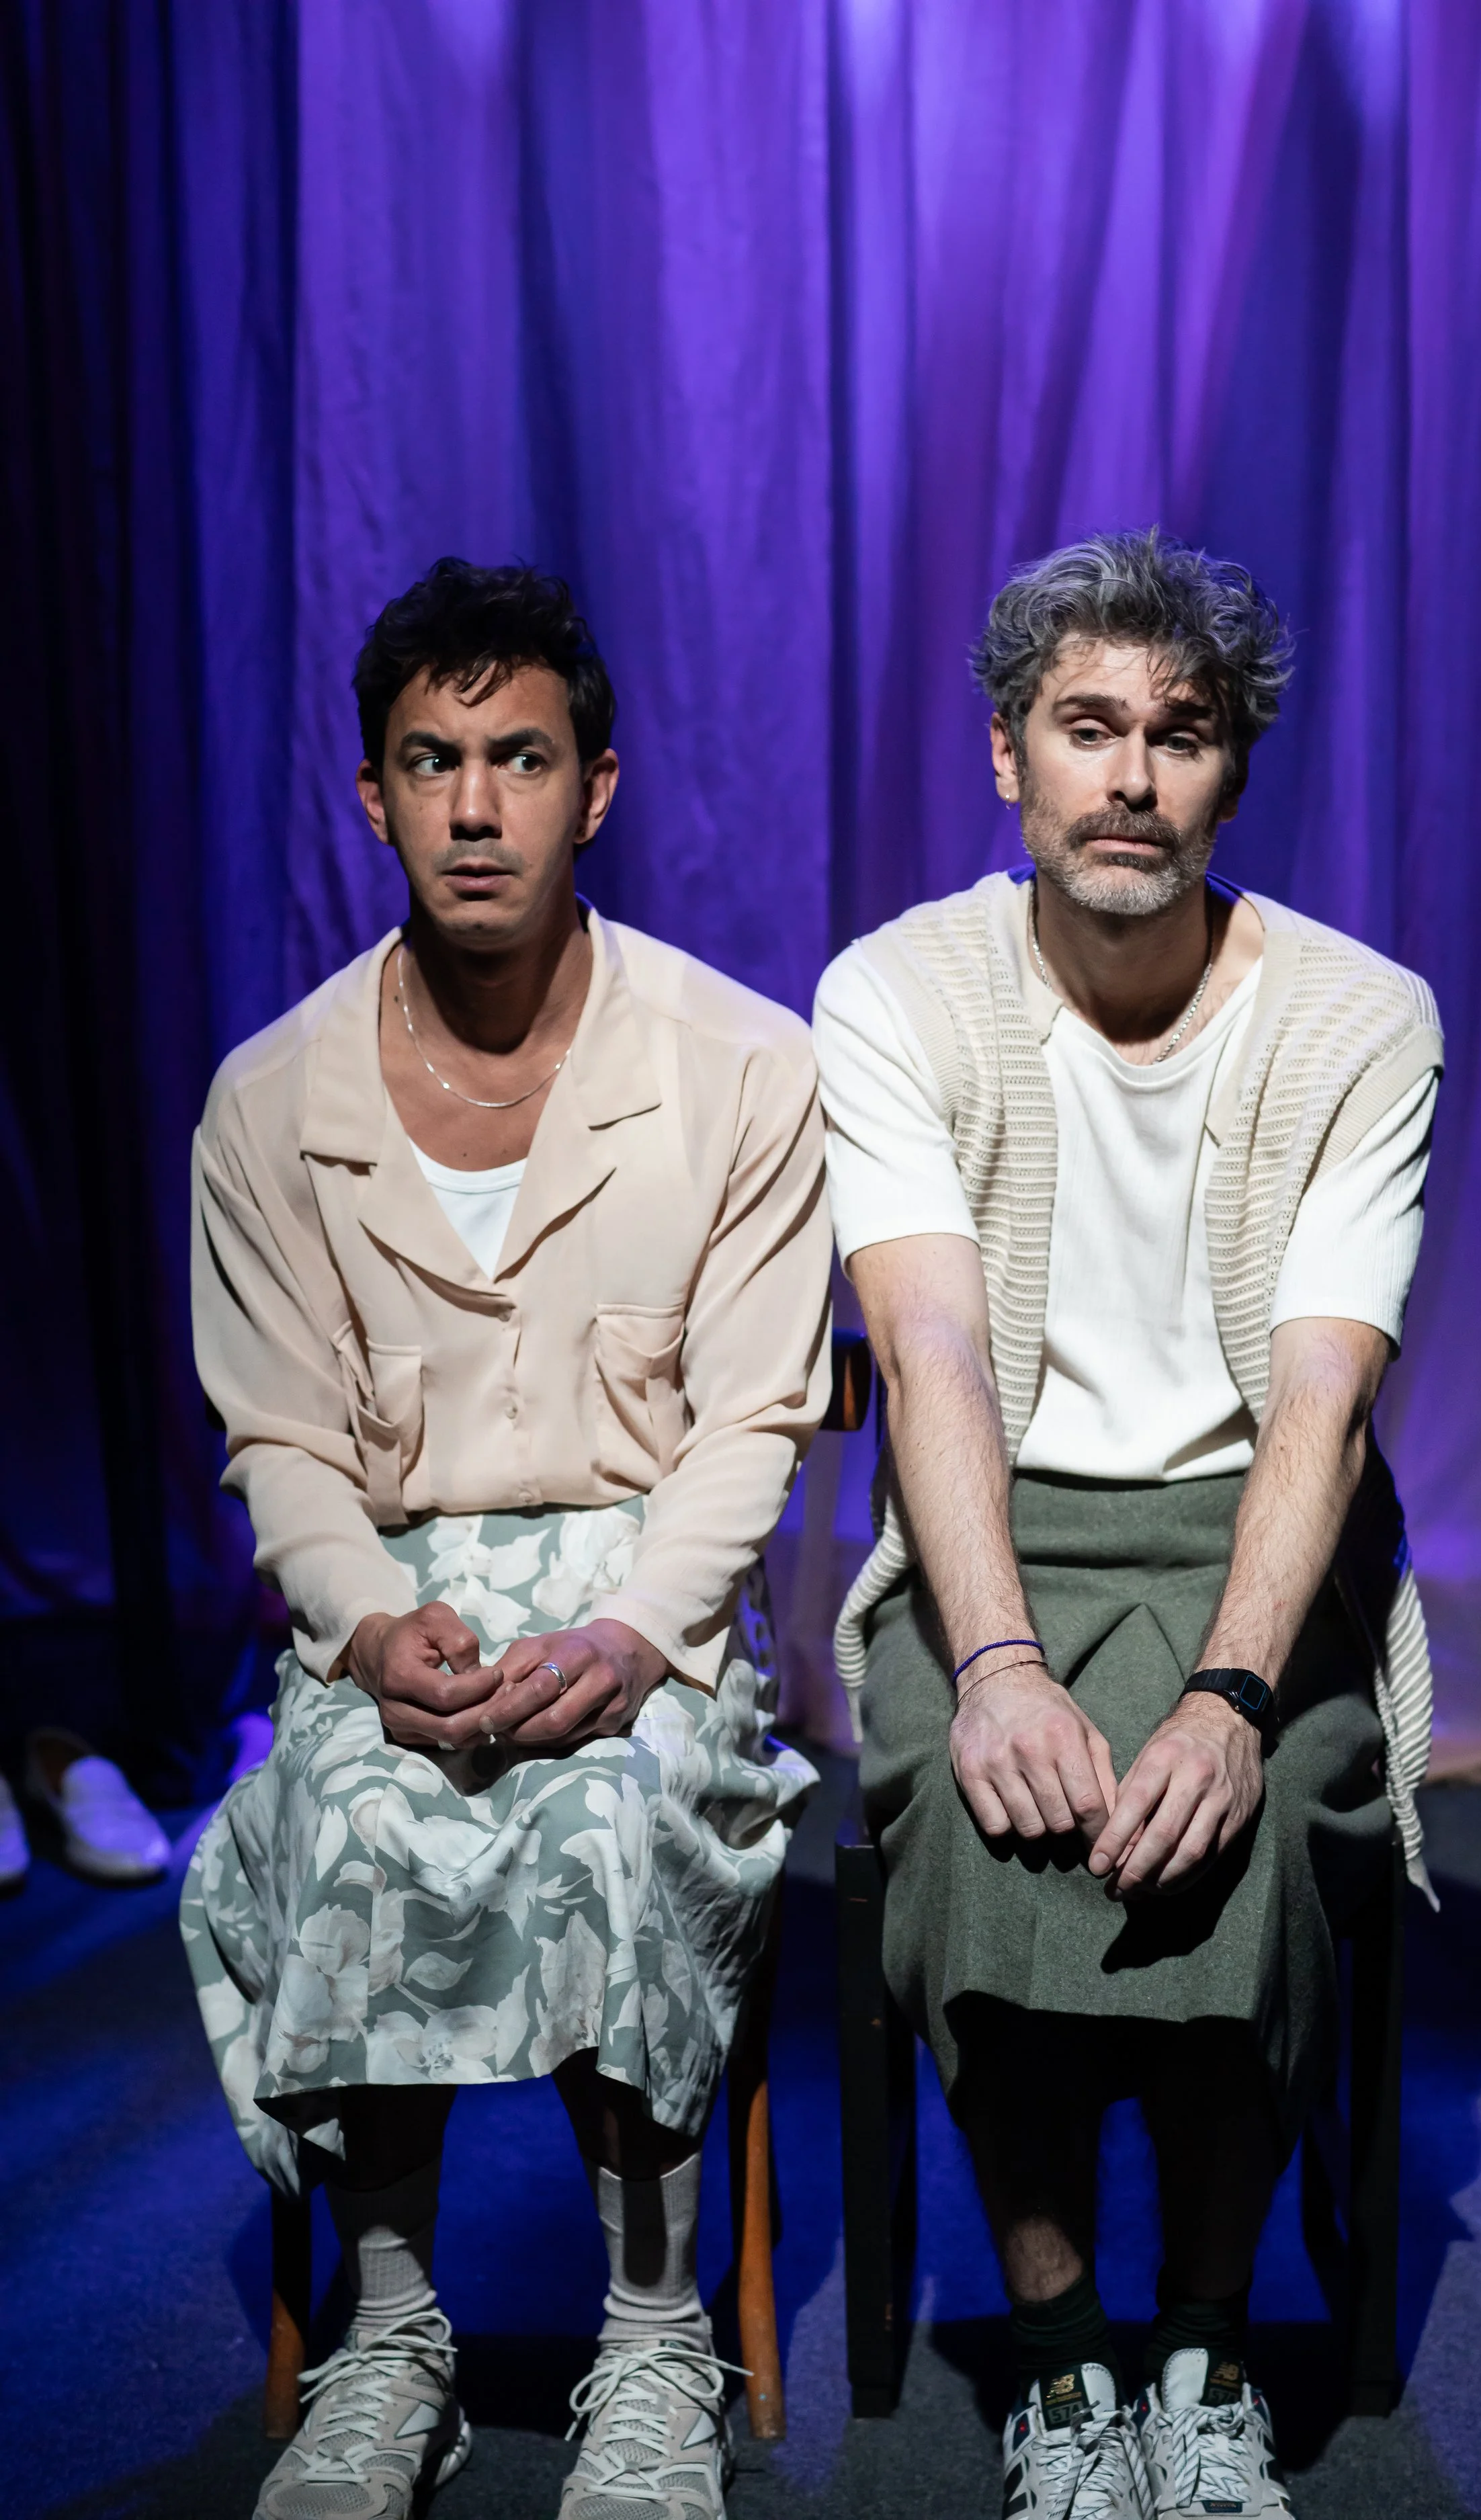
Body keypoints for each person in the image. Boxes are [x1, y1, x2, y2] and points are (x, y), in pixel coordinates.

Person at [181, 558, 831, 2520]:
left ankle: (652, 2346)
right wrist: (374, 1632)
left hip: (654, 1601)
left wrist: (633, 1638)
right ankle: (393, 2339)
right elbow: (281, 1438)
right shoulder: (270, 1100)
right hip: (396, 1598)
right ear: (370, 796)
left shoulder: (735, 1065)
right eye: (431, 762)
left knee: (615, 1814)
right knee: (358, 1809)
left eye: (519, 758)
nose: (476, 807)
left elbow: (756, 1421)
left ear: (597, 787)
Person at [813, 530, 1441, 2520]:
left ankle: (1201, 2348)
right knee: (982, 1827)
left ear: (1230, 770)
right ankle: (1064, 2363)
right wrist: (988, 1665)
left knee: (1235, 1836)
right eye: (1087, 728)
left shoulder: (1356, 1016)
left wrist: (1234, 1693)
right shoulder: (899, 989)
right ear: (1008, 754)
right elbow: (927, 1357)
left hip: (1261, 1531)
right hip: (989, 1523)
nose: (1131, 778)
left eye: (1178, 735)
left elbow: (1324, 1401)